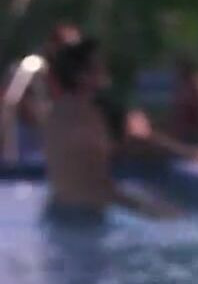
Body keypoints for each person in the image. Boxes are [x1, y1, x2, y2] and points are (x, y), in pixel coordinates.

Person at [42, 38, 182, 225]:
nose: (104, 71)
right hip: (86, 217)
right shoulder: (96, 111)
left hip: (55, 213)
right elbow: (140, 140)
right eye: (98, 66)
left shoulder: (54, 113)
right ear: (82, 75)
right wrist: (188, 152)